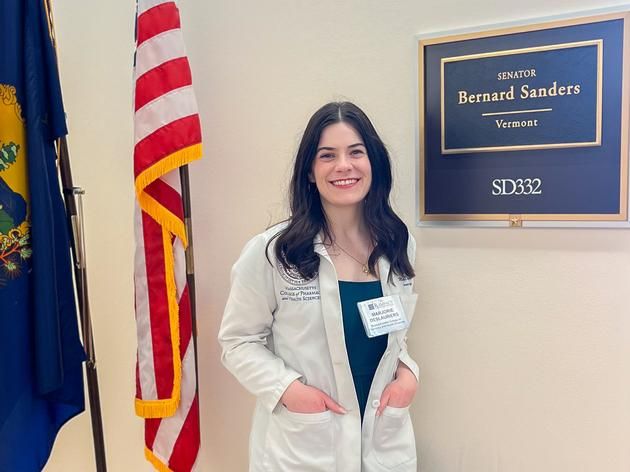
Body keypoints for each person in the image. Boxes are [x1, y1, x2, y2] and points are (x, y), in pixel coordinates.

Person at [218, 101, 420, 471]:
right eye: (327, 155)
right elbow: (237, 342)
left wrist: (407, 372)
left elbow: (395, 332)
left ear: (373, 162)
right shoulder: (273, 252)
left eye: (355, 152)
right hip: (306, 444)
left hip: (382, 438)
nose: (344, 166)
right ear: (310, 172)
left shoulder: (397, 243)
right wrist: (289, 391)